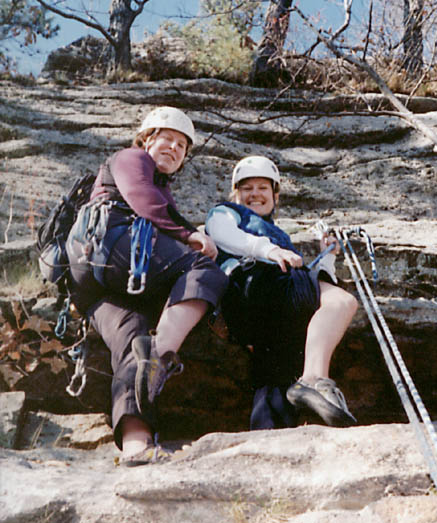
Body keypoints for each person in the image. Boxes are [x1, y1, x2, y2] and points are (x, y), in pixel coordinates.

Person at [66, 106, 227, 465]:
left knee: (130, 340)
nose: (173, 148)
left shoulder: (163, 188)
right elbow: (142, 198)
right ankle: (161, 353)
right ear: (145, 139)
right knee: (207, 270)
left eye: (182, 146)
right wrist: (191, 235)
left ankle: (136, 446)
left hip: (99, 281)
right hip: (113, 247)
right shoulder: (130, 158)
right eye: (166, 138)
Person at [205, 155, 358, 430]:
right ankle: (314, 378)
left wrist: (328, 256)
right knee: (341, 301)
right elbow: (220, 233)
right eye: (247, 188)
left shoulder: (280, 238)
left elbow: (311, 287)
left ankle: (267, 435)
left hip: (258, 309)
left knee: (277, 375)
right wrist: (269, 250)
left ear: (275, 196)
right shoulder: (227, 212)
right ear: (235, 194)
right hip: (254, 283)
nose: (255, 194)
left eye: (263, 188)